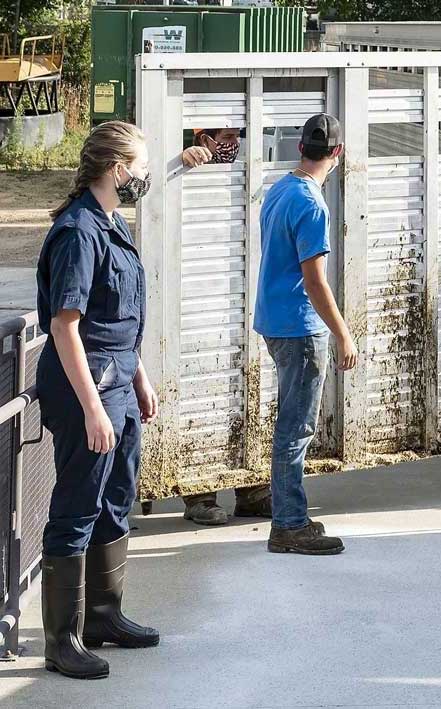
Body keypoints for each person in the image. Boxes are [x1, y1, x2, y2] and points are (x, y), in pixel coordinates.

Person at [36, 121, 160, 680]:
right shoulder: (78, 232)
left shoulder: (112, 223)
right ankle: (61, 641)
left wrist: (139, 378)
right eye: (140, 165)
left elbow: (122, 319)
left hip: (118, 383)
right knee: (77, 505)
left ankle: (103, 617)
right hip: (86, 388)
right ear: (117, 171)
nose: (144, 176)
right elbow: (67, 327)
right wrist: (91, 408)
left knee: (115, 496)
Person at [254, 113, 358, 555]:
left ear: (301, 148)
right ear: (336, 154)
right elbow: (314, 281)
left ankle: (290, 513)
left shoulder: (281, 189)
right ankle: (289, 525)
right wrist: (343, 334)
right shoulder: (313, 205)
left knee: (291, 424)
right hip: (300, 327)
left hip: (274, 321)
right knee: (296, 427)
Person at [177, 126, 273, 526]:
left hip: (243, 280)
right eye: (223, 135)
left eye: (236, 133)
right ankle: (199, 492)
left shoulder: (251, 163)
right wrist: (182, 162)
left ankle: (253, 489)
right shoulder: (182, 160)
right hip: (198, 286)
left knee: (252, 388)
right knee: (202, 390)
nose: (230, 142)